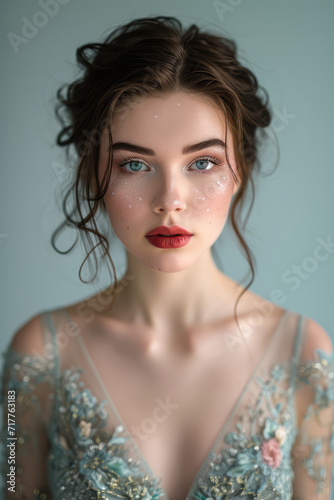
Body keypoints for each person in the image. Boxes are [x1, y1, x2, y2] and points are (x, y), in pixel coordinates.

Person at [0, 15, 333, 500]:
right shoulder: (40, 355)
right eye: (134, 164)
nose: (170, 199)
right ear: (95, 176)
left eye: (203, 162)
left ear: (240, 170)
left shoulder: (304, 353)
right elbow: (12, 488)